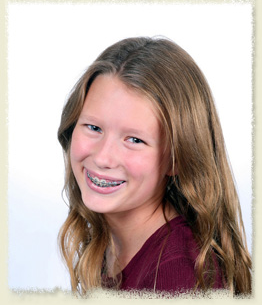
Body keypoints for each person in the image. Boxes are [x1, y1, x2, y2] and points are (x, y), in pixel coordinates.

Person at [57, 36, 252, 296]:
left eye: (135, 140)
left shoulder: (178, 276)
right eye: (93, 127)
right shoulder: (115, 246)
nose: (103, 158)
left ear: (176, 159)